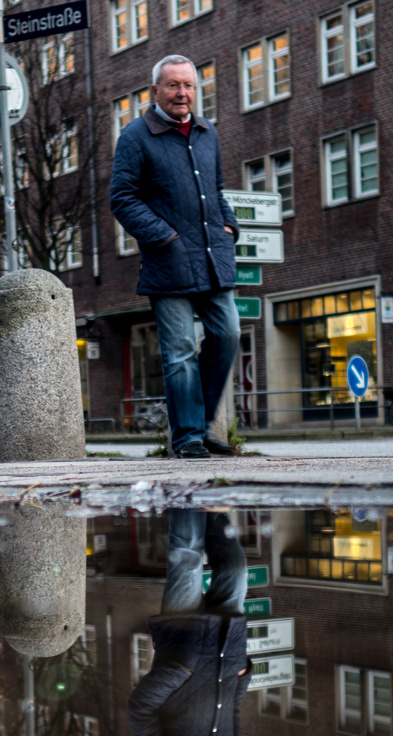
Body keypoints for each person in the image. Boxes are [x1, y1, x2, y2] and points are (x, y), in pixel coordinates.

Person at [110, 54, 242, 459]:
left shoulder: (207, 132)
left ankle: (200, 428)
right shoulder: (135, 136)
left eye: (188, 85)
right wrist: (164, 237)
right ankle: (187, 438)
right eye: (173, 85)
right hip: (168, 262)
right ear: (155, 91)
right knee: (181, 349)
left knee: (228, 335)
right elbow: (122, 199)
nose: (182, 93)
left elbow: (216, 190)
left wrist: (230, 226)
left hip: (212, 257)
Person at [127, 509, 251, 736]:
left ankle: (185, 490)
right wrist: (243, 675)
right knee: (236, 567)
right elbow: (232, 710)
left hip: (184, 639)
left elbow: (140, 710)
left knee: (188, 559)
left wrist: (178, 671)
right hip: (227, 644)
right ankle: (213, 502)